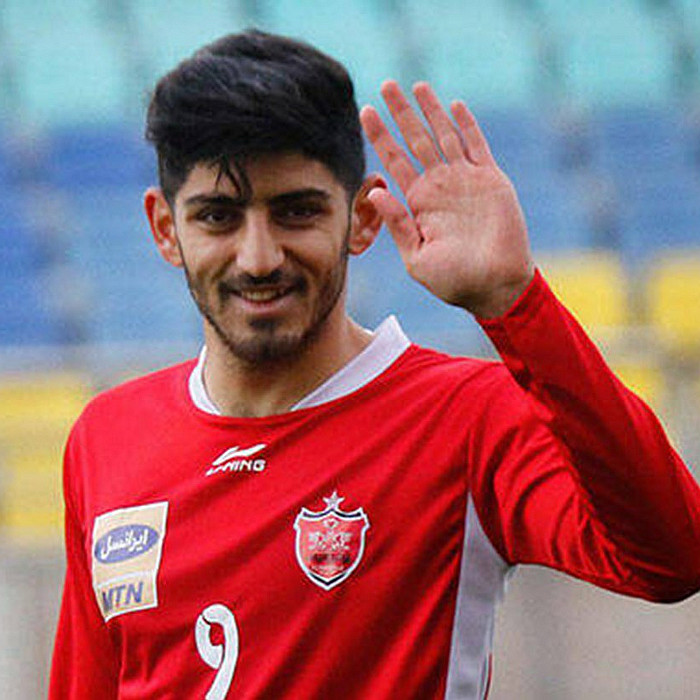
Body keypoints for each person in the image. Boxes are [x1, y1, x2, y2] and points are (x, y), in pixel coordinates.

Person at [49, 29, 700, 699]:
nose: (258, 258)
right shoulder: (107, 435)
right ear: (166, 229)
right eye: (218, 217)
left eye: (296, 212)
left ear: (361, 218)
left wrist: (517, 303)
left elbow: (669, 559)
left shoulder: (468, 418)